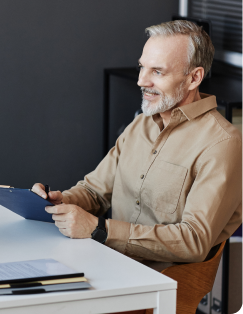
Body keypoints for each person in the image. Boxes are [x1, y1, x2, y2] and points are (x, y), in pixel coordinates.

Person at [33, 20, 243, 271]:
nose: (141, 81)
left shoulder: (222, 143)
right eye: (142, 67)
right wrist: (59, 202)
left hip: (156, 283)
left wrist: (101, 230)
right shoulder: (140, 124)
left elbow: (194, 240)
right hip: (104, 261)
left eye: (157, 72)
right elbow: (95, 192)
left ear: (194, 78)